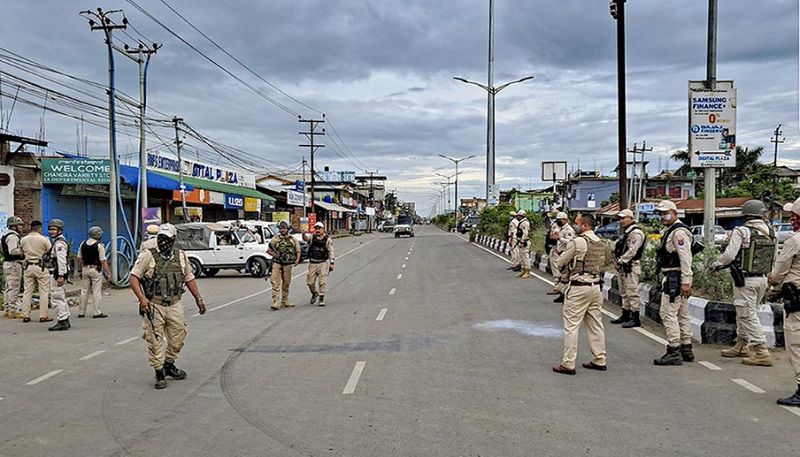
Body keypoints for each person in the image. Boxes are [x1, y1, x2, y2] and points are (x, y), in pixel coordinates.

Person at [129, 223, 206, 390]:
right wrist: (142, 299)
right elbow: (134, 277)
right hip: (154, 304)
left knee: (179, 336)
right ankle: (159, 372)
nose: (163, 241)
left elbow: (189, 278)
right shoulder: (148, 255)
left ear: (174, 239)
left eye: (167, 238)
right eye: (161, 238)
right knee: (154, 339)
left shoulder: (181, 256)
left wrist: (198, 299)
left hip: (175, 304)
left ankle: (169, 364)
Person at [710, 200, 775, 366]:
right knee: (745, 313)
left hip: (745, 280)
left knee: (747, 315)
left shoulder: (742, 231)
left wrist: (716, 264)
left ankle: (761, 352)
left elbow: (729, 255)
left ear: (745, 215)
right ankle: (741, 345)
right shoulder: (770, 231)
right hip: (762, 279)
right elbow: (773, 258)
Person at [552, 213, 607, 375]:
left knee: (571, 326)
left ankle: (568, 363)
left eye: (577, 223)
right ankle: (599, 359)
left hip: (579, 287)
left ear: (585, 226)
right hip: (596, 287)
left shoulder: (578, 242)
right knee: (596, 325)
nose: (575, 225)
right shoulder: (600, 242)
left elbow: (560, 262)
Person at [653, 200, 695, 366]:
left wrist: (686, 281)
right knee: (682, 314)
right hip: (676, 277)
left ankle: (674, 350)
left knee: (668, 313)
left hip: (674, 278)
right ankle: (686, 348)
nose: (662, 217)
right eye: (660, 214)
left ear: (675, 213)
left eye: (665, 213)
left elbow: (685, 258)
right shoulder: (671, 230)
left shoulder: (678, 232)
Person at [767, 197, 800, 407]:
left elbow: (779, 271)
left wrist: (773, 285)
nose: (791, 219)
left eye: (794, 216)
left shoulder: (795, 241)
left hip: (797, 301)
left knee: (796, 344)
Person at [611, 209, 646, 328]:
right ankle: (625, 315)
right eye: (620, 219)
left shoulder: (636, 233)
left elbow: (632, 251)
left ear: (631, 218)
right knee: (624, 292)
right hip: (623, 266)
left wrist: (620, 261)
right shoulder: (627, 232)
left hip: (631, 266)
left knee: (632, 292)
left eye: (624, 218)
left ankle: (635, 318)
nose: (621, 221)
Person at [20, 220, 52, 323]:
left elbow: (21, 252)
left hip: (28, 267)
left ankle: (26, 315)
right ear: (39, 228)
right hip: (41, 267)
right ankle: (43, 315)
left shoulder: (23, 240)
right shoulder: (44, 239)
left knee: (27, 292)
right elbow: (50, 252)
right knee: (43, 292)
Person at [76, 226, 111, 319]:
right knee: (96, 291)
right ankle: (96, 312)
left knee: (84, 291)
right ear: (99, 235)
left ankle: (81, 312)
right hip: (95, 270)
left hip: (85, 269)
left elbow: (79, 259)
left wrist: (79, 270)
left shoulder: (82, 244)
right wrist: (108, 273)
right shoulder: (99, 246)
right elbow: (103, 261)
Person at [267, 221, 301, 310]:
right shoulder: (275, 239)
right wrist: (276, 255)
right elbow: (269, 250)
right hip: (277, 263)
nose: (282, 230)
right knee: (275, 282)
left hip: (287, 264)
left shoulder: (292, 239)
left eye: (284, 228)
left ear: (288, 229)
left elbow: (298, 250)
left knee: (286, 282)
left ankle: (285, 301)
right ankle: (275, 301)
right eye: (280, 228)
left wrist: (297, 260)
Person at [46, 219, 71, 331]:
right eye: (50, 229)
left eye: (54, 229)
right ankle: (65, 319)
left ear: (60, 230)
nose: (51, 231)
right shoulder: (57, 241)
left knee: (57, 297)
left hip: (57, 273)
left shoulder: (59, 243)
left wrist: (61, 275)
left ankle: (62, 320)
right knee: (60, 296)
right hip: (57, 272)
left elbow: (61, 260)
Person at [304, 222, 334, 306]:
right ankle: (314, 293)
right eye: (316, 228)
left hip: (322, 263)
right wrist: (303, 234)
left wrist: (332, 262)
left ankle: (321, 298)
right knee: (310, 282)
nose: (317, 230)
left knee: (322, 282)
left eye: (319, 229)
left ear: (323, 229)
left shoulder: (327, 239)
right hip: (312, 263)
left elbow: (331, 251)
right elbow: (306, 239)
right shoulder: (312, 237)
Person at [2, 216, 26, 319]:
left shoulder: (5, 235)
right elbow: (12, 251)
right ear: (14, 226)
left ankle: (7, 308)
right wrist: (22, 251)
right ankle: (13, 310)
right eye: (19, 225)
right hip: (14, 264)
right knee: (14, 287)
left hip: (8, 263)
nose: (21, 227)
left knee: (8, 287)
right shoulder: (13, 237)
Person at [550, 212, 575, 303]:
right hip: (558, 252)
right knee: (561, 274)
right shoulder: (560, 228)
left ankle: (564, 294)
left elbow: (571, 243)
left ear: (565, 220)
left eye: (559, 220)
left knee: (564, 275)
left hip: (565, 254)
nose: (558, 222)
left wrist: (560, 238)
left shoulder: (569, 230)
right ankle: (561, 292)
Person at [514, 210, 532, 279]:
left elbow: (525, 233)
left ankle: (528, 271)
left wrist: (522, 241)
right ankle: (523, 270)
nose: (517, 217)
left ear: (520, 216)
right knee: (521, 257)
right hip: (521, 241)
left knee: (525, 257)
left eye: (518, 216)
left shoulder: (525, 223)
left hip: (524, 242)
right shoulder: (521, 222)